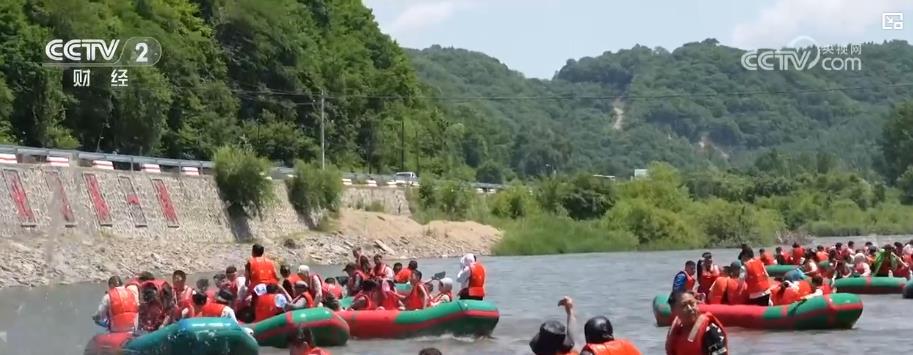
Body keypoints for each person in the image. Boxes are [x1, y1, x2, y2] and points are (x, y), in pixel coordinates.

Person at [665, 290, 728, 355]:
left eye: (692, 304)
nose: (690, 308)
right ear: (673, 310)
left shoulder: (710, 330)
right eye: (684, 305)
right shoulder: (675, 332)